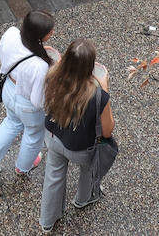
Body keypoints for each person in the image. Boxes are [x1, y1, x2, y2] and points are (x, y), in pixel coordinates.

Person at [0, 11, 55, 184]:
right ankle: (23, 167)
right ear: (39, 35)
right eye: (49, 31)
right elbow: (38, 101)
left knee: (11, 123)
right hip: (28, 104)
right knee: (33, 135)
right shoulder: (40, 65)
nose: (52, 33)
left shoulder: (11, 33)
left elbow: (1, 56)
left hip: (8, 89)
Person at [39, 39, 115, 233]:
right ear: (90, 67)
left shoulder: (52, 76)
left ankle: (47, 220)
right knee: (88, 171)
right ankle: (83, 199)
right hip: (81, 148)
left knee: (53, 175)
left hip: (54, 138)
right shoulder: (98, 95)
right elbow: (107, 131)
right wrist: (104, 88)